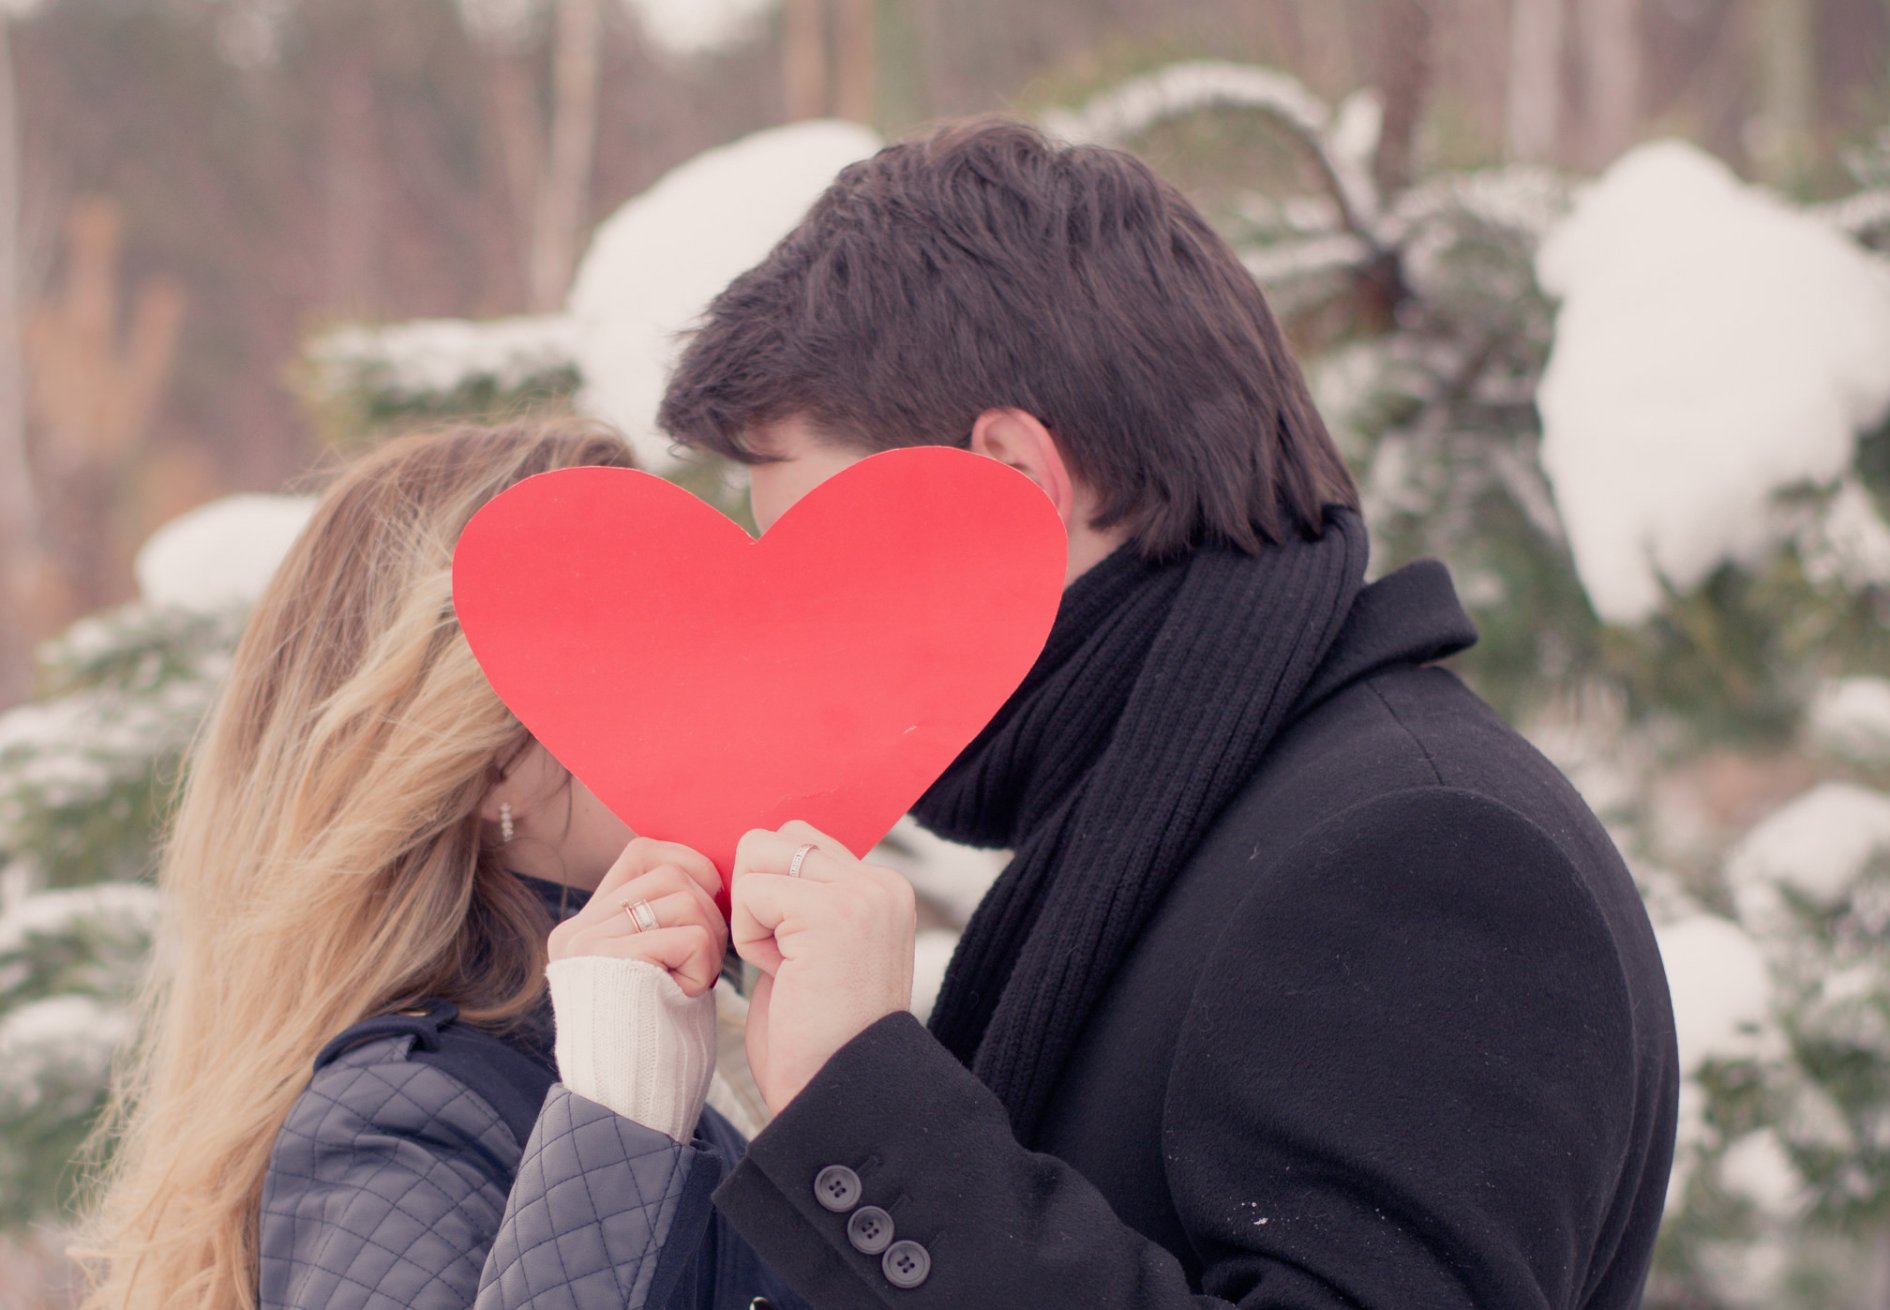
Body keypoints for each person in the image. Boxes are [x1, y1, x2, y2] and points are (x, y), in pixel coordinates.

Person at [662, 119, 1683, 1307]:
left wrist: (868, 1108)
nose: (812, 639)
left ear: (1010, 480)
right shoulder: (1177, 816)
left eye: (822, 560)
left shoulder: (1422, 854)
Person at [70, 421, 790, 1309]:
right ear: (491, 760)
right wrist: (616, 1120)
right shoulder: (396, 1124)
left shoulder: (680, 1049)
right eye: (654, 652)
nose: (726, 696)